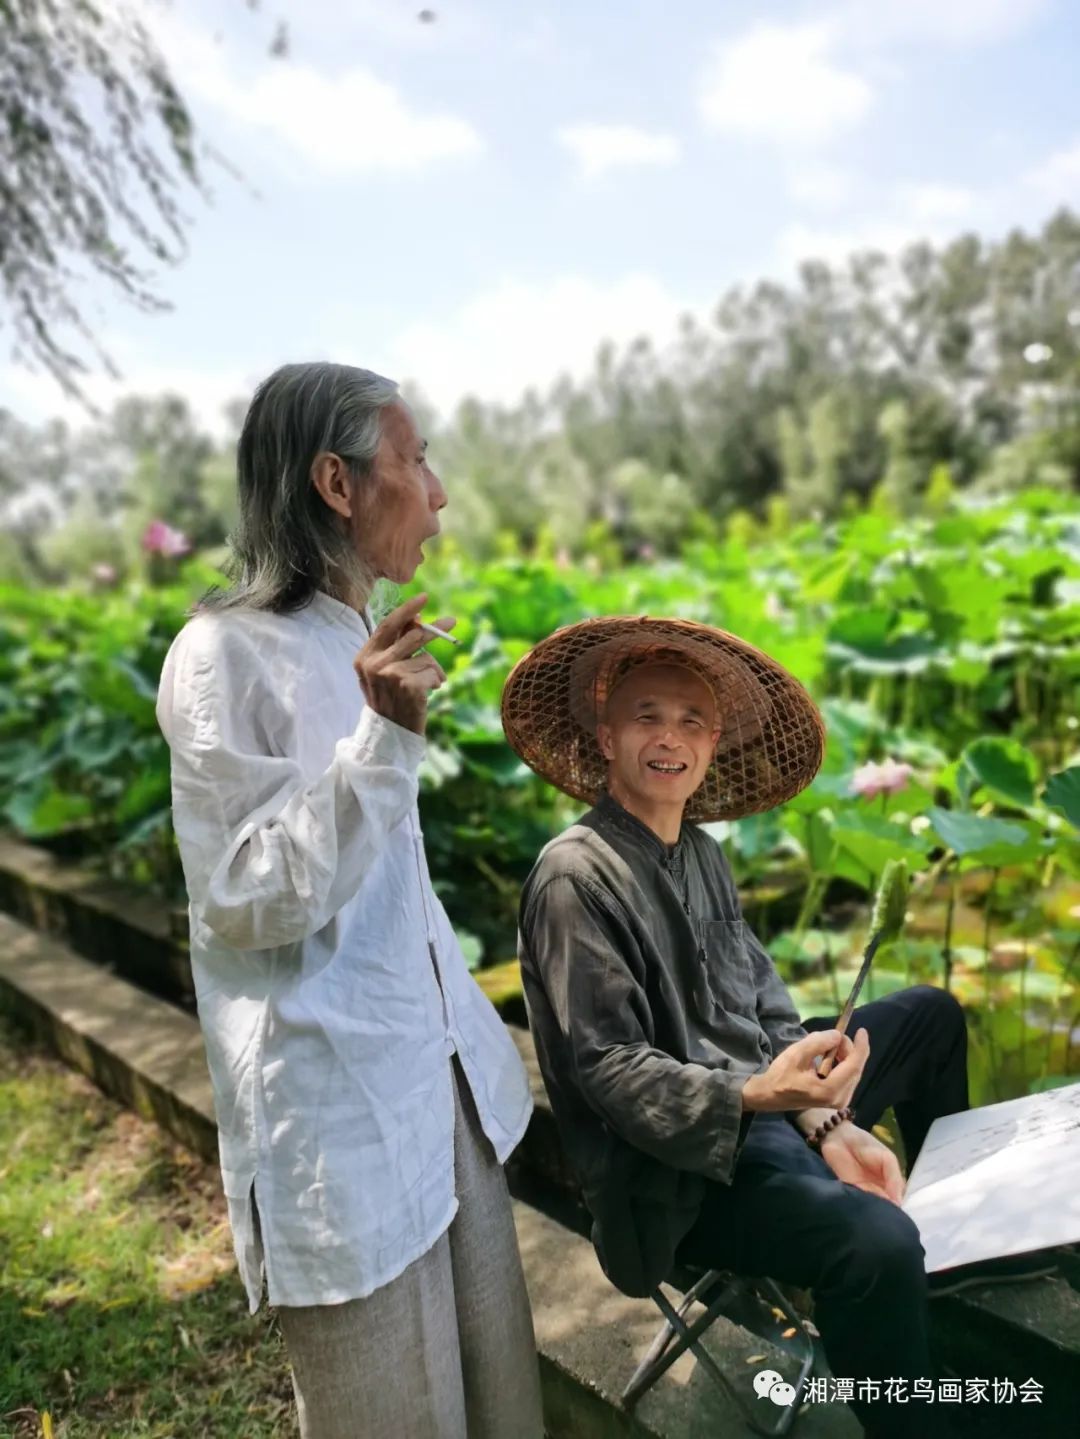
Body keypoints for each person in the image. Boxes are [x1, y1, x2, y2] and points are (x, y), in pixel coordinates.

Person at [504, 616, 1049, 1439]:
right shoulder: (575, 877)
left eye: (692, 722)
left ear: (714, 741)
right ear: (607, 731)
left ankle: (956, 1248)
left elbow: (761, 1005)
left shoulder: (701, 852)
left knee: (931, 1017)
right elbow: (610, 1071)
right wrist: (763, 1092)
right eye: (648, 715)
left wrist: (823, 1116)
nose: (670, 738)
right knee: (874, 1245)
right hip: (674, 1180)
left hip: (767, 1112)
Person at [155, 362, 543, 1439]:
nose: (439, 492)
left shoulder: (357, 638)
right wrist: (381, 740)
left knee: (499, 1394)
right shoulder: (222, 654)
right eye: (415, 460)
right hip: (338, 1120)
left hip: (440, 1083)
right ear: (337, 480)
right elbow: (245, 895)